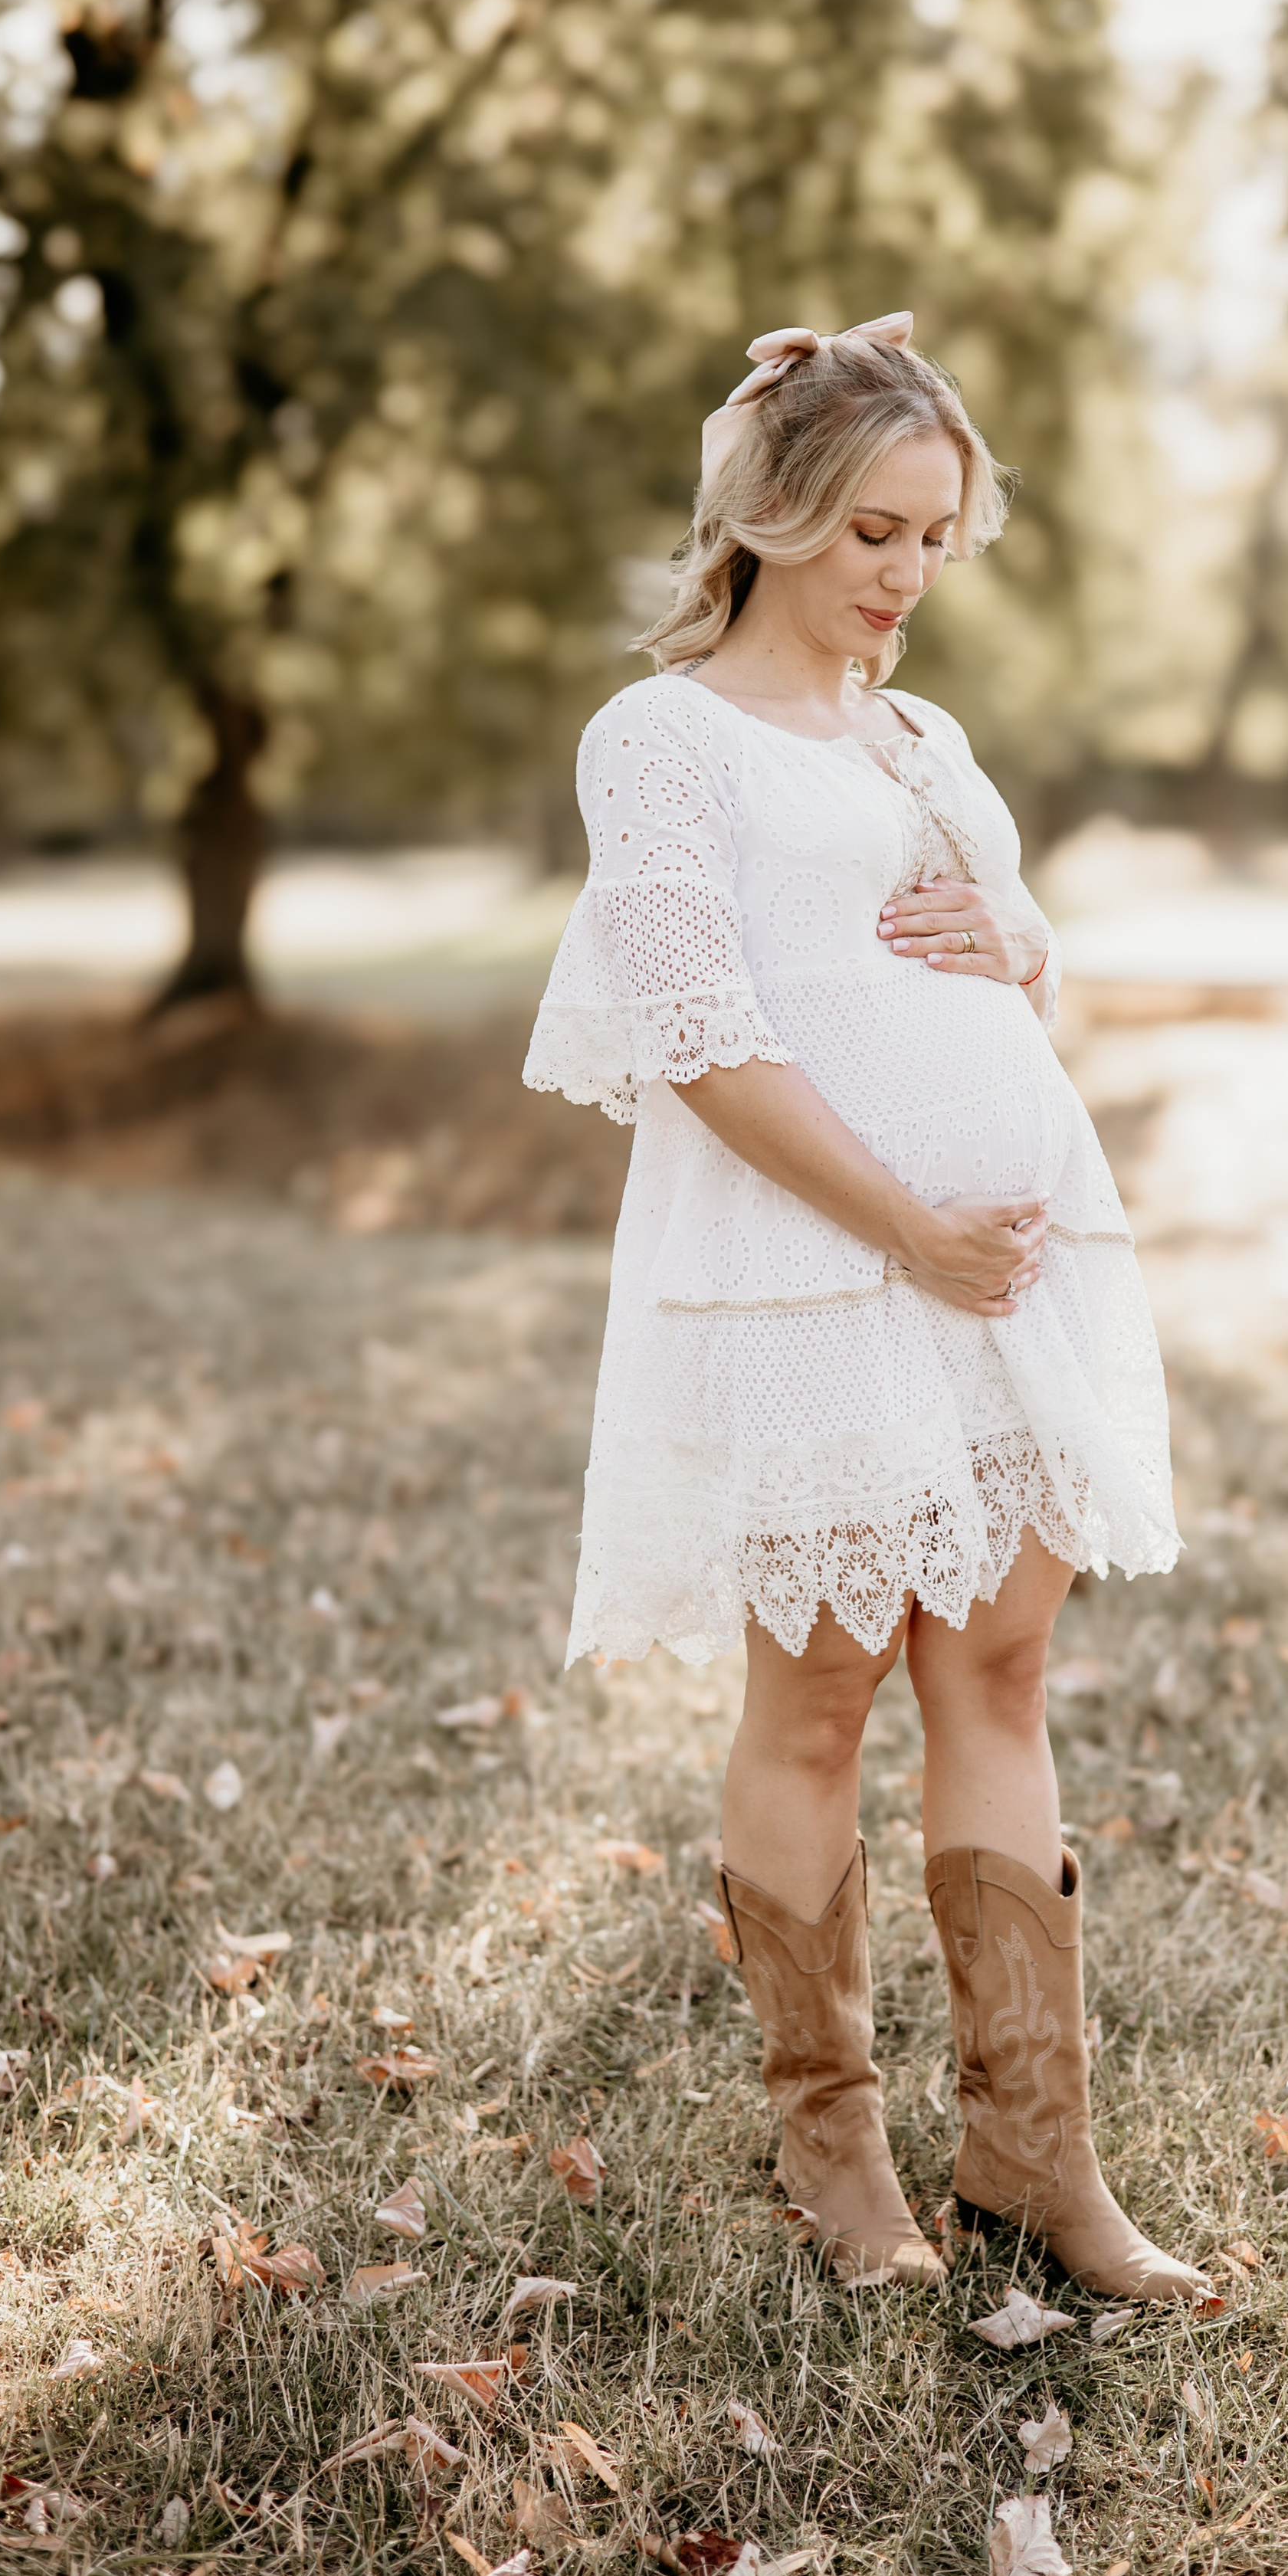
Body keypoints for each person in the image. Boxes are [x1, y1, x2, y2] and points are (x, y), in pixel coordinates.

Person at [525, 313, 1204, 2301]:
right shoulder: (660, 740)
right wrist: (910, 1230)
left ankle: (1035, 2161)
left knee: (1000, 1678)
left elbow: (1011, 964)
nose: (907, 576)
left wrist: (1021, 935)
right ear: (771, 513)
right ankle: (836, 2152)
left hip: (1012, 1270)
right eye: (872, 532)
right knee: (818, 1698)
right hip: (817, 1275)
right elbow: (704, 1039)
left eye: (934, 538)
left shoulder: (926, 741)